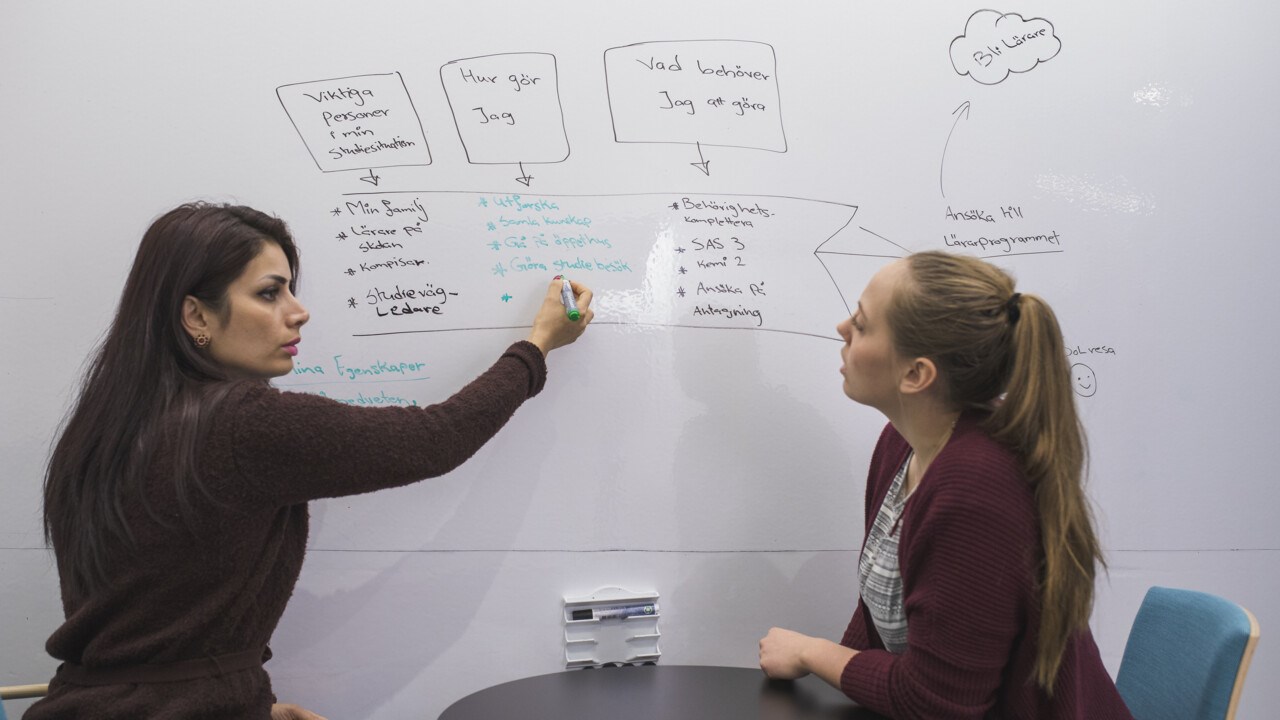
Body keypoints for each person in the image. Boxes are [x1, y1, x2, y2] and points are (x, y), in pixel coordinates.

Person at [28, 203, 593, 720]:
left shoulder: (107, 428)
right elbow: (435, 438)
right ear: (195, 316)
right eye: (269, 293)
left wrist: (244, 704)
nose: (299, 313)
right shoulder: (241, 424)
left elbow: (148, 621)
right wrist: (536, 347)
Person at [758, 251, 1132, 719]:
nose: (842, 328)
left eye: (863, 324)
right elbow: (883, 620)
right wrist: (841, 670)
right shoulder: (901, 444)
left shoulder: (975, 489)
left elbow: (936, 704)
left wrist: (812, 653)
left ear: (916, 374)